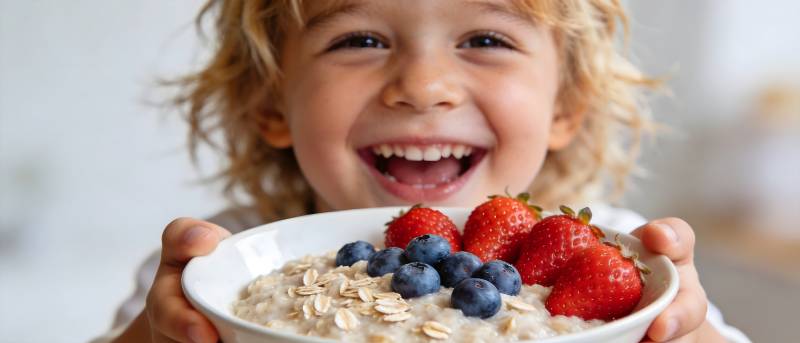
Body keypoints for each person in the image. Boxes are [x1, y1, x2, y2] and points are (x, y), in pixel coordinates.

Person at [96, 0, 750, 342]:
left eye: (486, 40)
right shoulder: (227, 262)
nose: (424, 86)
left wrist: (684, 334)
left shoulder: (613, 255)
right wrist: (153, 337)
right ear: (271, 102)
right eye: (360, 39)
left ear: (566, 104)